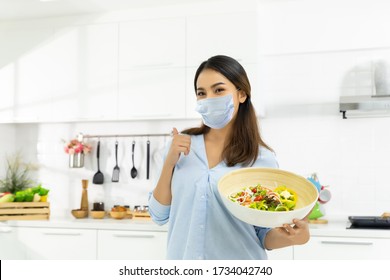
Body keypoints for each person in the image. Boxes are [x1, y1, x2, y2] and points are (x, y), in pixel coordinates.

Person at [148, 55, 310, 260]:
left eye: (219, 90)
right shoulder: (179, 148)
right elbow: (158, 215)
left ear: (241, 94)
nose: (209, 98)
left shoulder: (260, 159)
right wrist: (169, 162)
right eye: (201, 93)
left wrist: (296, 237)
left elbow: (263, 235)